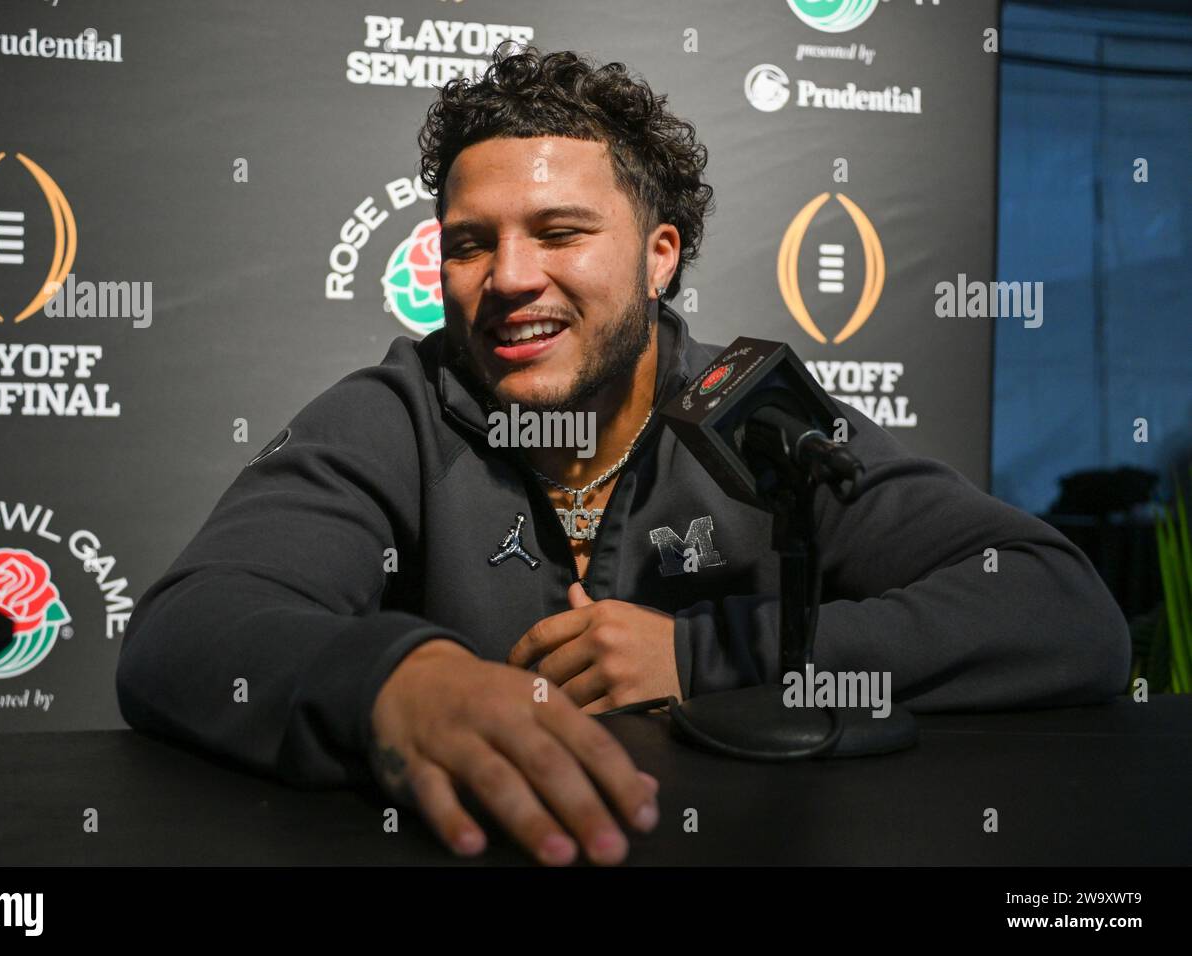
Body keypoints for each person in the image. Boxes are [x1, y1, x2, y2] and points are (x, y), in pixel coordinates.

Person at [116, 45, 1131, 866]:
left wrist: (705, 657)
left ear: (659, 253)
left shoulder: (751, 410)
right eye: (470, 243)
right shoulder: (393, 412)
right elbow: (184, 633)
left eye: (559, 231)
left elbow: (1057, 608)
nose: (509, 277)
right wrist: (398, 677)